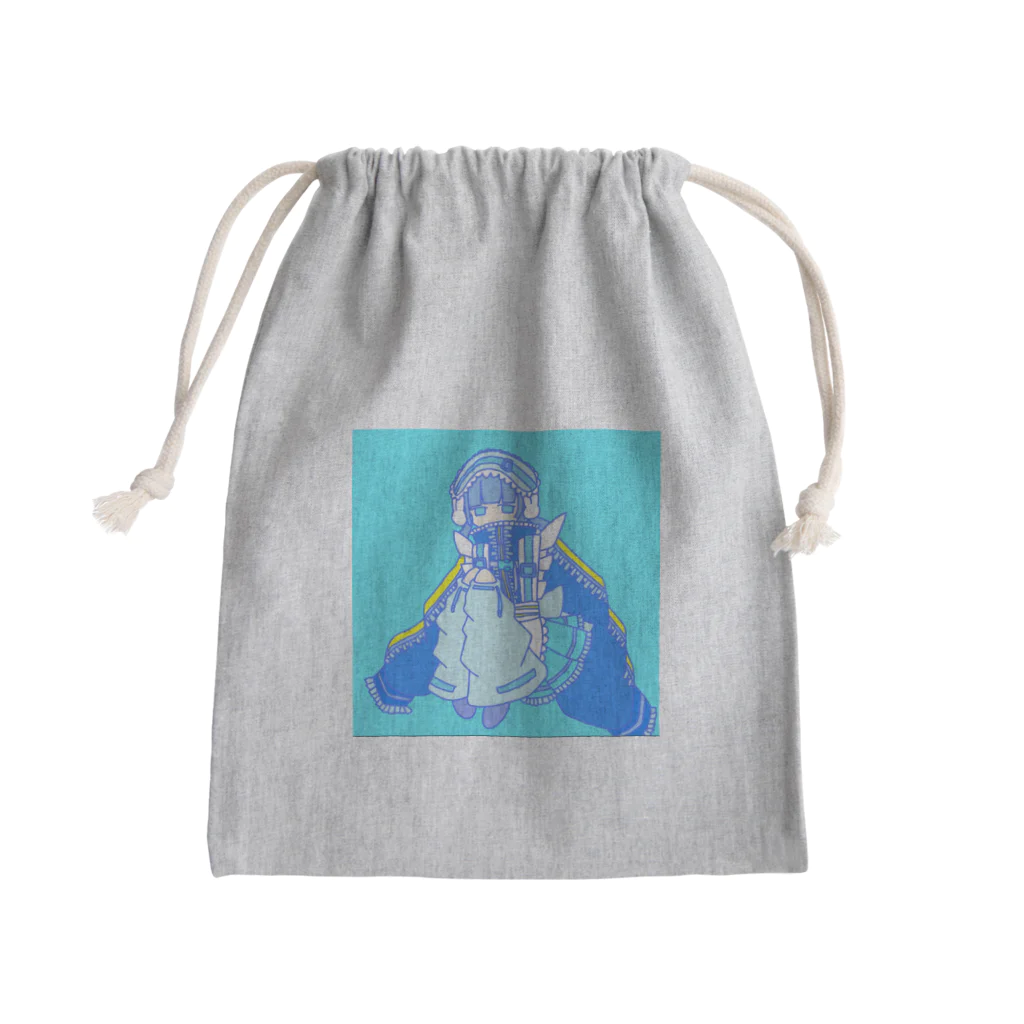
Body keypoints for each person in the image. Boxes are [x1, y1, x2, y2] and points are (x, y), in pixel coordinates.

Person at [365, 449, 657, 735]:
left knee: (583, 690)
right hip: (480, 620)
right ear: (465, 511)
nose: (493, 516)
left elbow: (585, 589)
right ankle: (460, 690)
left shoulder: (537, 540)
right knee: (453, 638)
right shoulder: (473, 546)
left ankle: (624, 717)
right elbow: (440, 608)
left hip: (534, 623)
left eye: (505, 507)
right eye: (480, 510)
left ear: (524, 504)